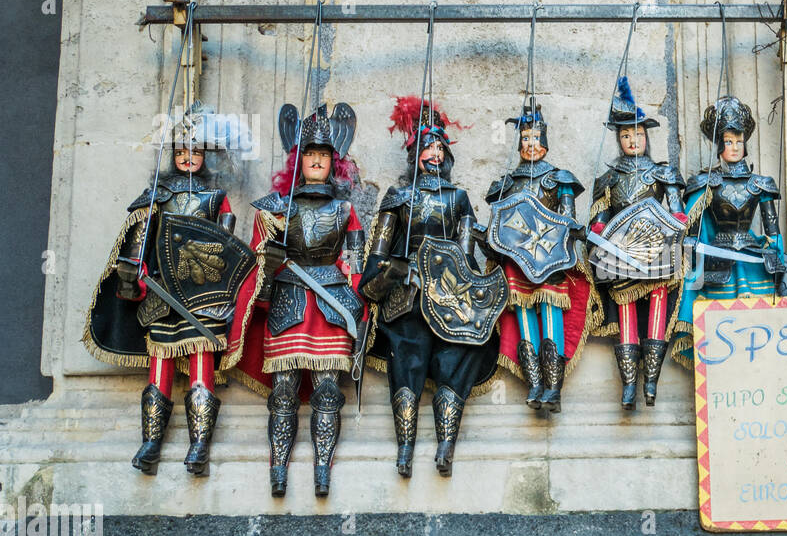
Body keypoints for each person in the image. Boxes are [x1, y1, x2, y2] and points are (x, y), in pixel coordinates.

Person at [83, 103, 248, 476]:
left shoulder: (216, 198)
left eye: (195, 150)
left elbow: (224, 247)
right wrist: (132, 273)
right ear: (173, 155)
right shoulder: (157, 193)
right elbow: (140, 241)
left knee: (201, 366)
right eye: (181, 150)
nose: (188, 156)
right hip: (161, 292)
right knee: (160, 365)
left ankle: (200, 444)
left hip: (203, 296)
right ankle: (152, 441)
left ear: (206, 156)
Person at [225, 103, 366, 498]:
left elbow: (353, 265)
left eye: (323, 154)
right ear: (298, 159)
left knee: (326, 390)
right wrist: (267, 266)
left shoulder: (346, 209)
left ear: (332, 160)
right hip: (287, 301)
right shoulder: (273, 210)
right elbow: (256, 272)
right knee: (283, 390)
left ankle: (323, 470)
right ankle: (279, 470)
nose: (317, 160)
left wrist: (356, 301)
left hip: (332, 305)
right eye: (310, 153)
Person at [360, 97, 503, 477]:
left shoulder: (458, 199)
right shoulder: (398, 197)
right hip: (406, 295)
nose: (435, 154)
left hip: (450, 296)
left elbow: (466, 254)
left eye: (440, 147)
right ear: (414, 155)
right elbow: (379, 250)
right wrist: (388, 273)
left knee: (453, 359)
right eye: (427, 147)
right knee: (407, 361)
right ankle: (405, 449)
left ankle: (445, 446)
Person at [484, 101, 598, 414]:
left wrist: (575, 229)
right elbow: (499, 227)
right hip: (517, 263)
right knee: (523, 322)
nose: (531, 144)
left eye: (535, 138)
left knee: (550, 319)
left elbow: (566, 220)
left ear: (544, 142)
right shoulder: (506, 185)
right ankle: (535, 383)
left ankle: (553, 387)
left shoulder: (559, 179)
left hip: (550, 261)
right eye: (525, 139)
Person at [669, 96, 787, 367]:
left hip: (750, 250)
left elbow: (771, 226)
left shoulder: (760, 183)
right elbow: (690, 226)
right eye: (728, 141)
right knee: (719, 322)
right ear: (719, 145)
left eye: (739, 140)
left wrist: (777, 252)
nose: (735, 146)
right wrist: (691, 248)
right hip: (718, 251)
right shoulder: (707, 182)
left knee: (783, 279)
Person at [589, 76, 687, 409]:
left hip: (657, 253)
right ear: (619, 138)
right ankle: (629, 383)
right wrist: (598, 232)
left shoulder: (664, 173)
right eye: (627, 135)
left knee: (659, 299)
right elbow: (600, 217)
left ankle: (651, 381)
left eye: (639, 134)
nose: (633, 139)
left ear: (646, 136)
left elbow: (677, 213)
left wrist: (678, 224)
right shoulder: (609, 177)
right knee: (625, 306)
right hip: (620, 254)